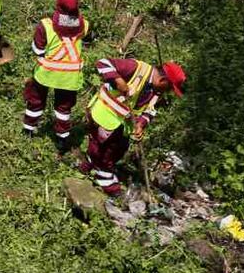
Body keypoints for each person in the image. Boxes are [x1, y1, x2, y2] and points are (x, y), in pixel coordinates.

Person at [80, 58, 186, 196]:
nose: (168, 92)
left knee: (120, 149)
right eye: (169, 88)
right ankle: (105, 179)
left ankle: (88, 166)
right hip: (105, 115)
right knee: (102, 148)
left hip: (124, 125)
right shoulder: (135, 67)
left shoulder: (157, 93)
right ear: (163, 80)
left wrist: (141, 124)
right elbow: (102, 63)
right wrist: (118, 80)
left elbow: (149, 111)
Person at [22, 0, 91, 152]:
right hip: (70, 77)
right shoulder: (84, 25)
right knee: (63, 109)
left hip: (46, 73)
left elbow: (37, 50)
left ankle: (28, 131)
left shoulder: (45, 25)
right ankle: (62, 140)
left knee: (36, 102)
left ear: (57, 6)